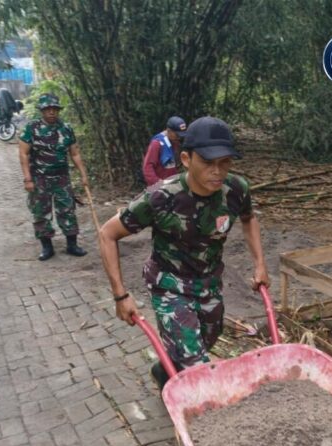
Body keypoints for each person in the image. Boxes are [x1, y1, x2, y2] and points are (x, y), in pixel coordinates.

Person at [100, 116, 269, 389]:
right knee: (195, 362)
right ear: (187, 159)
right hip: (169, 284)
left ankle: (163, 370)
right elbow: (107, 234)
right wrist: (121, 295)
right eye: (207, 162)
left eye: (224, 162)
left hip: (209, 282)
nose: (217, 171)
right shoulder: (159, 197)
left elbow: (249, 219)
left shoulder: (236, 190)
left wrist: (260, 263)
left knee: (208, 339)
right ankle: (202, 415)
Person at [19, 93, 88, 261]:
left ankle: (72, 244)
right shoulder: (32, 128)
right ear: (42, 111)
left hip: (62, 177)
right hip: (39, 178)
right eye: (47, 109)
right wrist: (28, 179)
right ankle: (46, 246)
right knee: (41, 212)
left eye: (54, 109)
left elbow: (75, 153)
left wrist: (83, 175)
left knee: (67, 209)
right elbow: (23, 153)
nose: (51, 112)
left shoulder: (66, 128)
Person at [141, 116, 187, 187]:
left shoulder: (175, 142)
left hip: (171, 185)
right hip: (158, 187)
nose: (179, 137)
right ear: (169, 130)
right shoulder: (157, 144)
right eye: (177, 134)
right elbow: (147, 167)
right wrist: (157, 183)